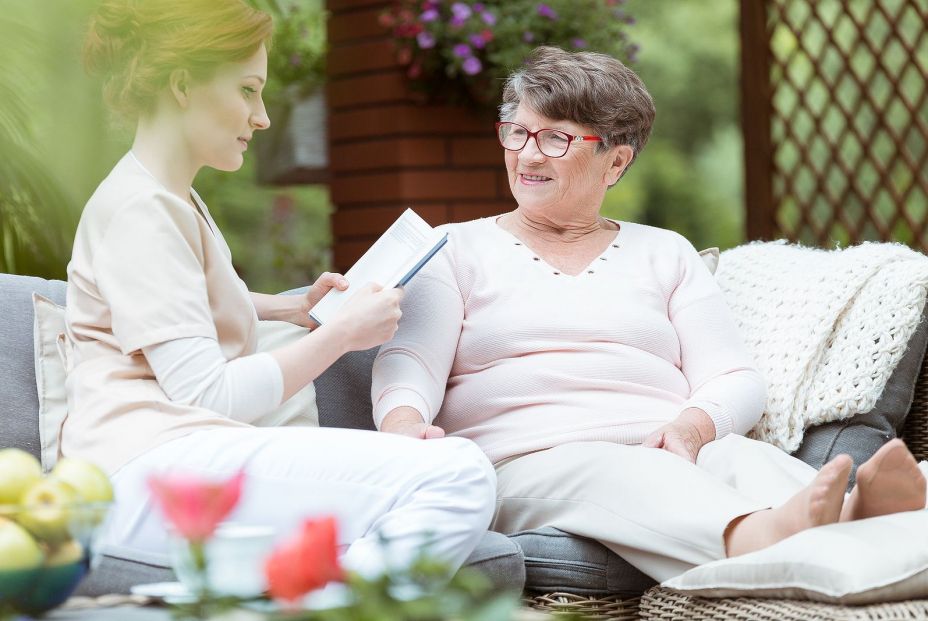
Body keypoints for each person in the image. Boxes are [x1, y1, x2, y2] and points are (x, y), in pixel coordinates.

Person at [371, 46, 927, 581]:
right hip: (528, 458)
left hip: (665, 448)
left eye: (557, 138)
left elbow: (732, 376)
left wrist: (691, 428)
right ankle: (757, 538)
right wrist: (404, 427)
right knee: (616, 470)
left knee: (736, 457)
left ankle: (864, 517)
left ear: (615, 161)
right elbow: (409, 359)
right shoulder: (452, 249)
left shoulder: (666, 251)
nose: (529, 153)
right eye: (518, 131)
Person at [63, 0, 495, 580]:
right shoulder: (142, 211)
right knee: (459, 473)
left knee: (427, 482)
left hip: (165, 461)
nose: (263, 116)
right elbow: (208, 395)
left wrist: (291, 308)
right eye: (247, 90)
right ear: (183, 84)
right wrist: (341, 335)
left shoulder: (166, 198)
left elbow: (174, 307)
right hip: (147, 469)